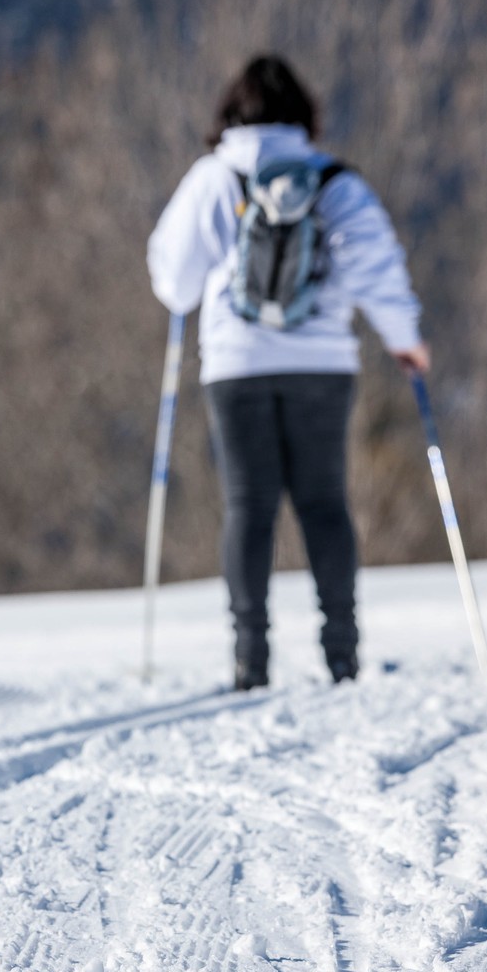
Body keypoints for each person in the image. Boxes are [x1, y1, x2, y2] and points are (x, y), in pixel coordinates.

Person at [147, 53, 428, 689]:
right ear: (305, 113)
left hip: (236, 364)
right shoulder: (333, 181)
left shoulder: (214, 178)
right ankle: (342, 653)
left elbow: (174, 281)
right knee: (325, 504)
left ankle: (251, 659)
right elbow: (376, 269)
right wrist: (405, 340)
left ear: (230, 111)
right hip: (323, 362)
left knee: (250, 506)